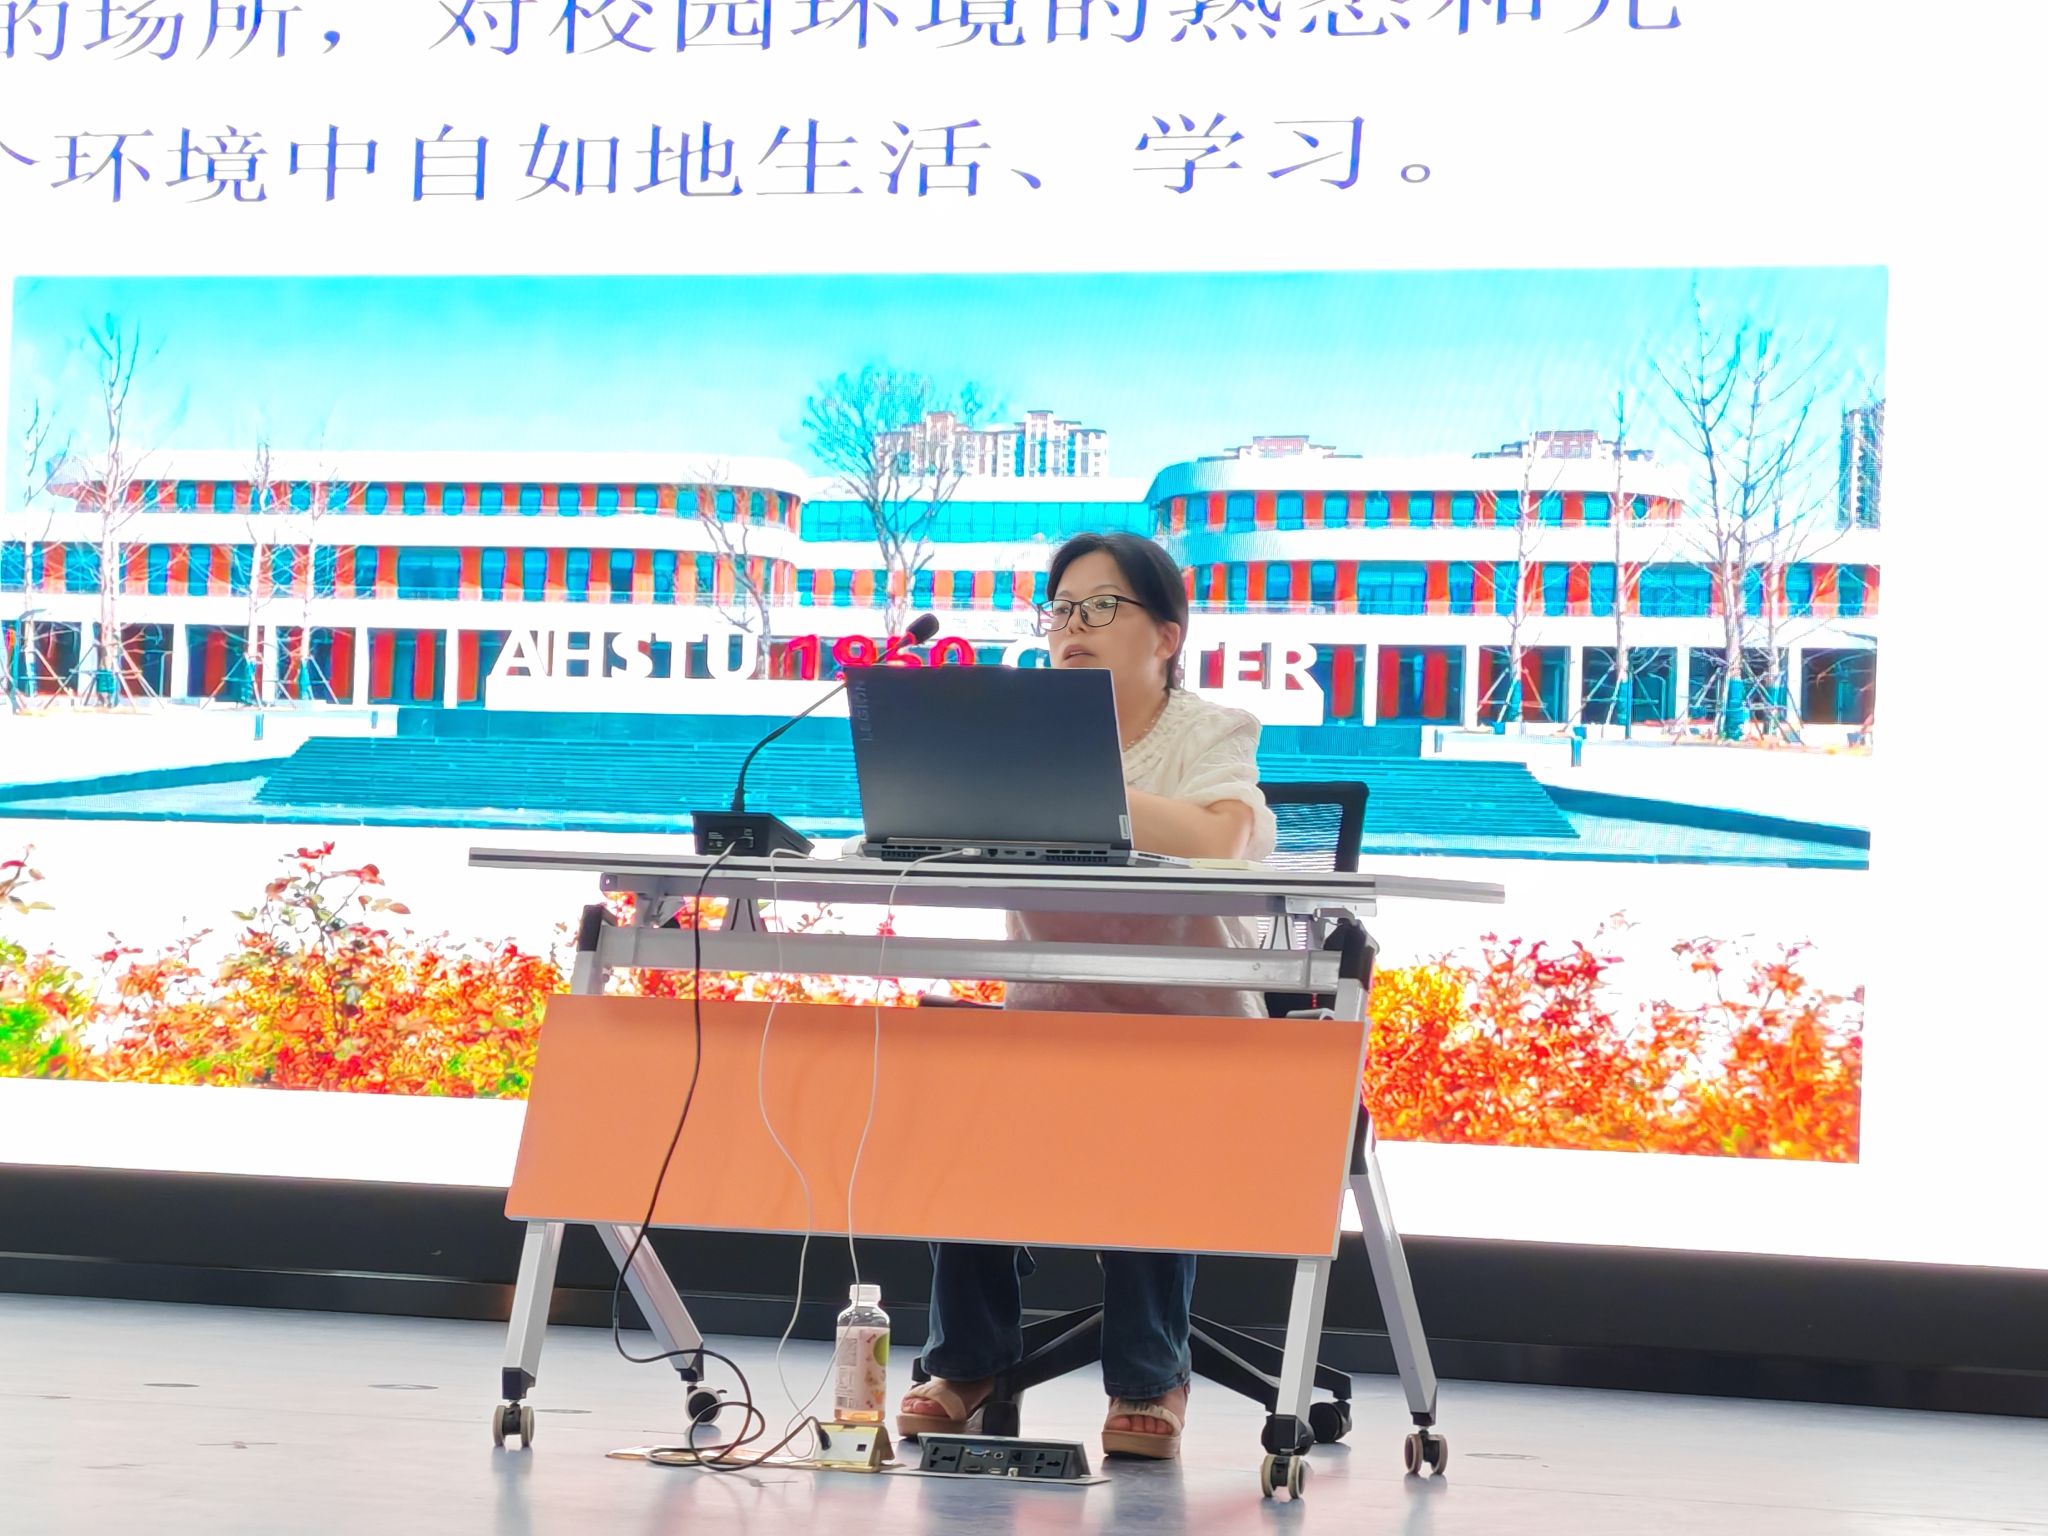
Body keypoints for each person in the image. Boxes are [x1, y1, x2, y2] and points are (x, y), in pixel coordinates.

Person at [896, 531, 1278, 1461]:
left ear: (1167, 636)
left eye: (1101, 606)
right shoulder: (1015, 738)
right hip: (1051, 1030)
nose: (1074, 625)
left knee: (1143, 1102)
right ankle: (970, 1362)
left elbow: (1222, 841)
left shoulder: (1212, 732)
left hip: (1186, 1036)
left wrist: (1064, 780)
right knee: (957, 1093)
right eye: (1062, 609)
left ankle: (1151, 1376)